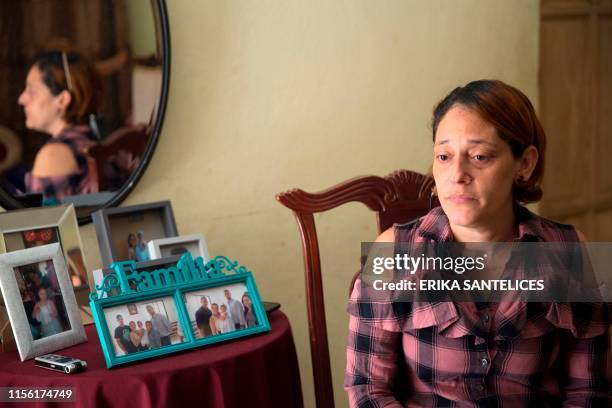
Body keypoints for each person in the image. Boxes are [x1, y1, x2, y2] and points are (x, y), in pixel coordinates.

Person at [344, 80, 610, 406]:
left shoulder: (572, 250)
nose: (457, 173)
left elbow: (589, 391)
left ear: (524, 164)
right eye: (443, 156)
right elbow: (366, 388)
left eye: (480, 156)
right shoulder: (393, 251)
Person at [17, 50, 101, 202]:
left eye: (32, 91)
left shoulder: (53, 156)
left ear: (62, 100)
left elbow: (41, 224)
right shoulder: (90, 137)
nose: (21, 99)